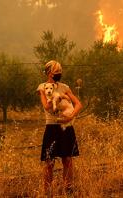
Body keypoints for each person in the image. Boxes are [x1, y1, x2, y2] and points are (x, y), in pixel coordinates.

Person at [36, 60, 82, 196]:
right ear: (49, 73)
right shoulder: (42, 87)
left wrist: (71, 116)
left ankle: (68, 189)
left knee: (67, 159)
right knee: (49, 161)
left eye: (60, 72)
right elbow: (46, 106)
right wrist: (56, 96)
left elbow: (78, 104)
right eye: (56, 72)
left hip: (66, 126)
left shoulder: (65, 87)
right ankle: (48, 191)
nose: (59, 74)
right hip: (51, 126)